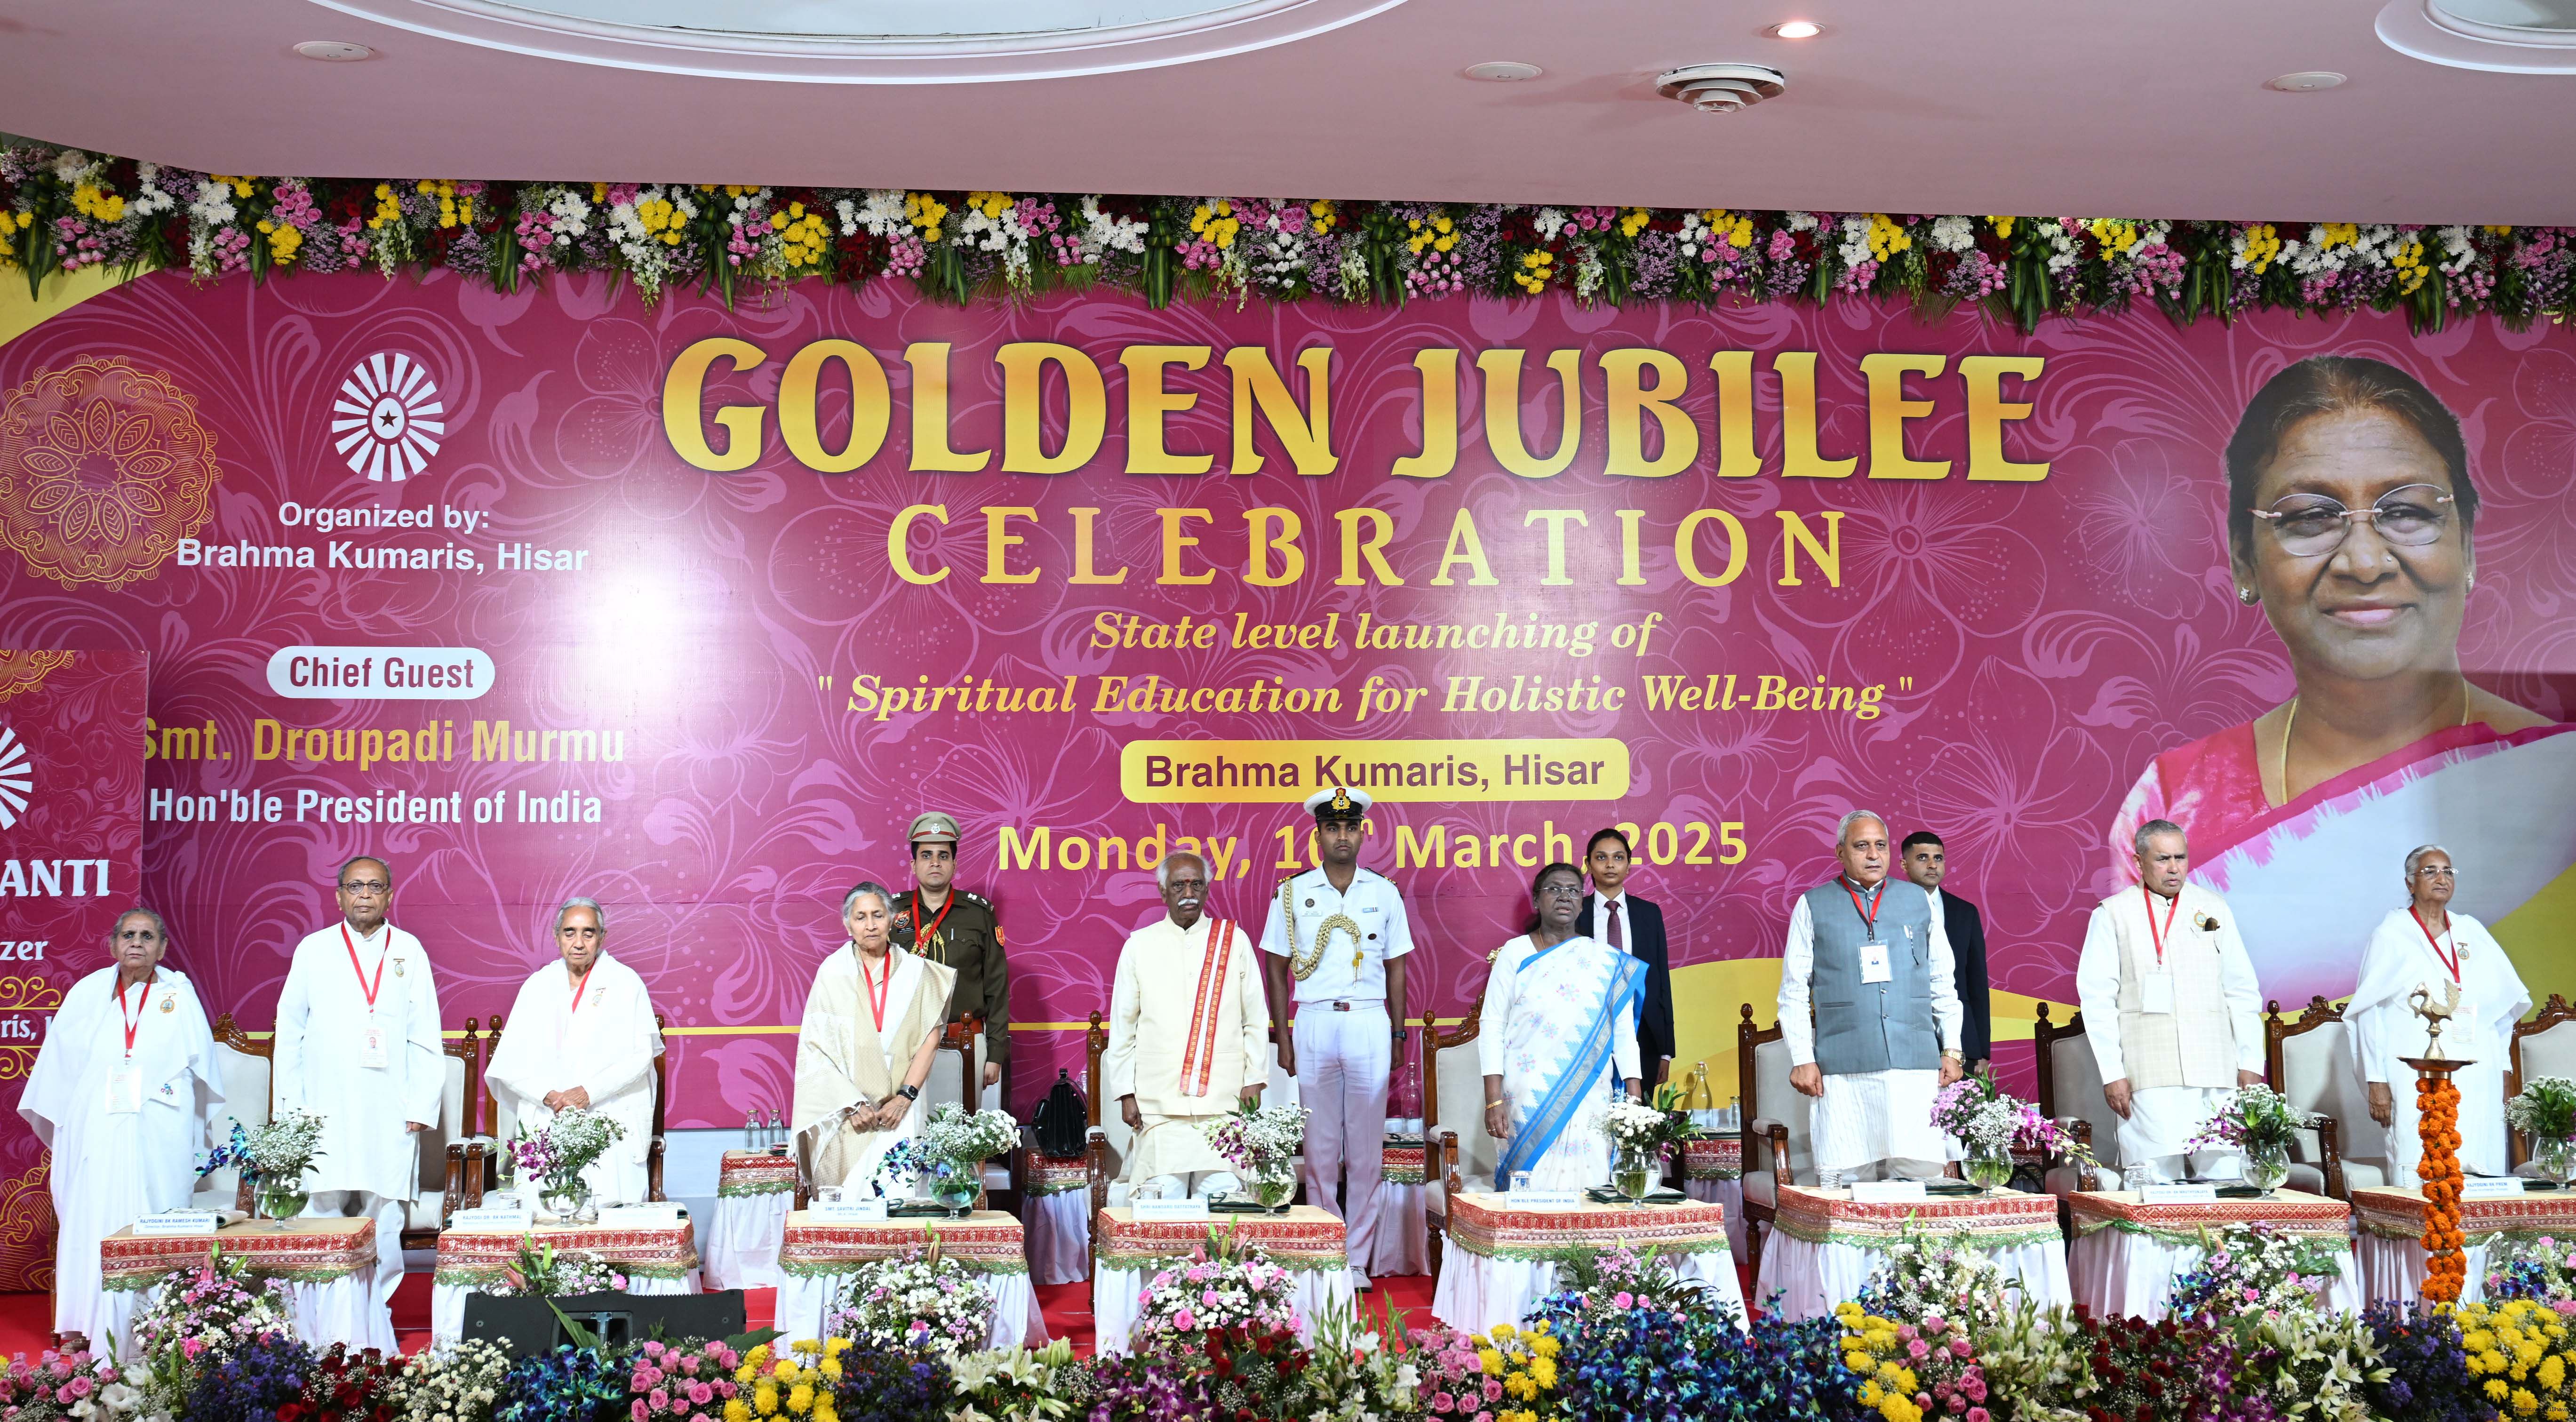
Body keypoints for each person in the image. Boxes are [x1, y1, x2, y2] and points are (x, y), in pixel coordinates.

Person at [2110, 355, 2563, 1007]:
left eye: (2407, 511)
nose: (2364, 561)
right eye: (2308, 518)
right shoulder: (2175, 803)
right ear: (2243, 558)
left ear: (2466, 545)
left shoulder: (2561, 776)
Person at [18, 909, 222, 1344]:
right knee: (93, 1214)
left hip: (160, 1127)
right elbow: (61, 1068)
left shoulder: (179, 994)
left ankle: (159, 1325)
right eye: (128, 935)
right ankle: (85, 1323)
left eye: (147, 936)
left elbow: (201, 1071)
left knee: (154, 1211)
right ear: (113, 945)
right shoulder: (88, 993)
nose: (137, 943)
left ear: (162, 949)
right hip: (98, 1124)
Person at [274, 855, 444, 1312]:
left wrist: (421, 1105)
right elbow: (289, 1032)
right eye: (355, 886)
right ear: (339, 897)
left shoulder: (408, 949)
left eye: (374, 886)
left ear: (389, 895)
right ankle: (321, 1311)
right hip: (321, 1107)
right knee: (319, 1204)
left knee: (383, 1212)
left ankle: (375, 1313)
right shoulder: (313, 949)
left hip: (390, 1106)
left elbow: (425, 1033)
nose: (365, 894)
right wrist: (291, 1110)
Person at [1260, 784, 1412, 1291]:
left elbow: (1396, 967)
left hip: (1368, 1019)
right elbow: (1276, 966)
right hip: (1315, 1020)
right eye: (1332, 828)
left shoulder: (1383, 892)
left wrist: (1397, 1032)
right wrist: (1283, 1035)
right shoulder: (1292, 893)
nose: (1341, 836)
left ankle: (1357, 1258)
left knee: (1366, 1148)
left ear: (1363, 834)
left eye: (1350, 827)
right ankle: (1327, 1250)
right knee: (1321, 1146)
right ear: (1318, 835)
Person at [1777, 810, 1966, 1185]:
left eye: (1880, 845)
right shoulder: (1813, 904)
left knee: (1920, 1179)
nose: (1873, 855)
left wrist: (1952, 1049)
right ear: (1840, 853)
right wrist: (1802, 1058)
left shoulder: (1918, 900)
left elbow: (1943, 981)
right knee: (1847, 1180)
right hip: (1843, 1067)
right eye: (1861, 846)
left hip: (1914, 1063)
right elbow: (1793, 990)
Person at [2075, 820, 2267, 1184]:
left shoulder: (2212, 908)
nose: (2174, 868)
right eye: (2163, 859)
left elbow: (2241, 990)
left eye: (2180, 857)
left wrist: (2249, 1062)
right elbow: (2097, 1000)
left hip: (2216, 1066)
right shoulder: (2113, 913)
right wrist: (2112, 1073)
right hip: (2149, 1067)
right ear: (2138, 861)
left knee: (2227, 1177)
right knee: (2154, 1180)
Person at [2348, 845, 2529, 1179]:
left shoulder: (2471, 931)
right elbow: (2368, 1011)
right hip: (2411, 1066)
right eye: (2429, 871)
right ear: (2409, 883)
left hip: (2476, 1064)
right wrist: (2376, 1079)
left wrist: (2503, 1067)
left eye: (2447, 871)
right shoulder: (2391, 934)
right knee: (2418, 1150)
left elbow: (2502, 1007)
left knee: (2478, 1149)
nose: (2441, 878)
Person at [1105, 851, 1268, 1199]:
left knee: (1224, 1196)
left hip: (1222, 1105)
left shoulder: (1234, 941)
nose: (1188, 893)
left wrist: (1254, 1079)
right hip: (1160, 1108)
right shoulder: (1140, 946)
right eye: (1179, 885)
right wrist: (1125, 1093)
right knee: (1162, 1196)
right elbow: (1123, 1028)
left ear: (1207, 889)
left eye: (1196, 884)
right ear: (1163, 891)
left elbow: (1255, 1017)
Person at [484, 898, 667, 1205]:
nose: (578, 943)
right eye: (570, 932)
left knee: (609, 1208)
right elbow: (509, 1064)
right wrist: (549, 1096)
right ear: (556, 937)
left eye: (588, 933)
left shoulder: (625, 983)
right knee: (544, 1210)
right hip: (548, 1112)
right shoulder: (537, 986)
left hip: (608, 1112)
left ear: (602, 937)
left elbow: (640, 1056)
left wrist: (588, 1093)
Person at [1483, 863, 1645, 1190]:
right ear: (1536, 900)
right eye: (1554, 889)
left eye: (1573, 890)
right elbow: (1492, 1024)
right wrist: (1493, 1100)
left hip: (1590, 1093)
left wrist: (1634, 1099)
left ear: (1582, 903)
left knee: (1591, 1189)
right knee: (1530, 1193)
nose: (1564, 896)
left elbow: (1624, 1034)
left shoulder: (1605, 961)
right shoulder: (1514, 953)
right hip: (1527, 1094)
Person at [792, 880, 957, 1192]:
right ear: (848, 925)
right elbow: (815, 1048)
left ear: (892, 919)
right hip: (847, 1108)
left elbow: (930, 1038)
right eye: (861, 917)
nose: (870, 925)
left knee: (899, 1194)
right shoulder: (832, 973)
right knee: (845, 1201)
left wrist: (905, 1097)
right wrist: (851, 1104)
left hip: (901, 1105)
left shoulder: (918, 972)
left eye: (878, 915)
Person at [890, 813, 1009, 1098]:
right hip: (905, 1044)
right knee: (907, 1121)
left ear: (954, 865)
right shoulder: (891, 913)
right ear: (913, 865)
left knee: (963, 1123)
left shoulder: (979, 914)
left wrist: (995, 1053)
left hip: (965, 1041)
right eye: (926, 855)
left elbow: (997, 987)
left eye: (943, 856)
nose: (935, 863)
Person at [1574, 829, 1675, 1086]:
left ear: (1629, 865)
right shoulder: (1575, 914)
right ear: (1588, 865)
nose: (1610, 865)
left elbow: (1661, 981)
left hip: (1644, 1032)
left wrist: (1666, 1051)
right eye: (1601, 857)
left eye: (1618, 858)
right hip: (1587, 1029)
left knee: (1638, 1108)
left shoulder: (1649, 914)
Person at [1900, 831, 1992, 1071]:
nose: (1932, 865)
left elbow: (1977, 984)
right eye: (1922, 858)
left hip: (1962, 1039)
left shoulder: (1965, 912)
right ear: (1904, 865)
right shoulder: (1887, 911)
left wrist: (1982, 1049)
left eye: (1938, 858)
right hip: (1904, 1037)